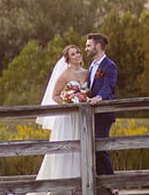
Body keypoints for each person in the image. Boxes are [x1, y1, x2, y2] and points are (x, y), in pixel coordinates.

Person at [36, 44, 85, 183]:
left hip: (81, 116)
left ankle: (80, 181)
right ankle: (61, 183)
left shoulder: (86, 73)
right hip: (67, 117)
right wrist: (68, 104)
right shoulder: (65, 74)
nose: (77, 55)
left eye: (78, 52)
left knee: (80, 149)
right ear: (68, 59)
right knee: (66, 149)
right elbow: (55, 95)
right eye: (73, 54)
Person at [84, 33, 117, 175]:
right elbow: (90, 87)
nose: (86, 49)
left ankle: (112, 183)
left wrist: (99, 97)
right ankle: (101, 182)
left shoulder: (109, 65)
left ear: (98, 46)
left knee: (100, 147)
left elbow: (108, 86)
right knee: (92, 148)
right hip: (92, 114)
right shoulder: (92, 66)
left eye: (88, 45)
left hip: (104, 114)